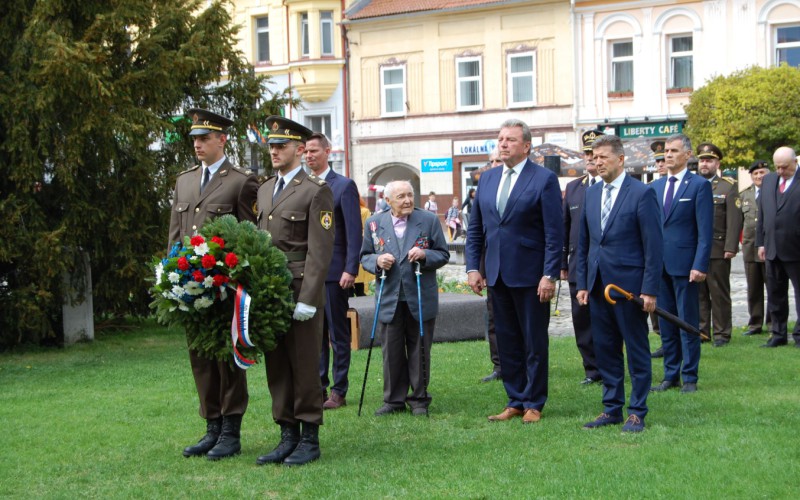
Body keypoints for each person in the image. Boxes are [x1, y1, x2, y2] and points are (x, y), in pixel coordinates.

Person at [169, 108, 259, 460]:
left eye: (205, 138)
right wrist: (172, 276)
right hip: (191, 286)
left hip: (224, 288)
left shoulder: (240, 181)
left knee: (226, 358)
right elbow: (176, 234)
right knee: (201, 358)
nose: (198, 144)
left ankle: (231, 431)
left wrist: (236, 279)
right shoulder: (185, 181)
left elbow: (249, 236)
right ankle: (212, 426)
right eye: (195, 138)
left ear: (222, 140)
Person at [466, 118, 563, 424]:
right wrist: (472, 268)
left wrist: (550, 274)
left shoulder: (543, 179)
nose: (503, 143)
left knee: (533, 340)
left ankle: (534, 401)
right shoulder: (488, 179)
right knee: (506, 340)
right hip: (496, 274)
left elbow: (554, 233)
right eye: (500, 138)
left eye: (510, 139)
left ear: (526, 146)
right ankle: (515, 399)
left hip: (531, 275)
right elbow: (476, 230)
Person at [255, 116, 334, 466]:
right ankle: (287, 432)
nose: (274, 151)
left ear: (300, 150)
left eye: (281, 145)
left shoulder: (316, 190)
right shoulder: (264, 188)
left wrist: (308, 298)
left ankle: (309, 436)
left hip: (299, 288)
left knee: (304, 365)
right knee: (278, 364)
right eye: (271, 145)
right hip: (271, 292)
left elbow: (321, 250)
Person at [576, 134, 663, 433]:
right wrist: (583, 283)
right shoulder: (591, 194)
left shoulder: (641, 193)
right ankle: (611, 407)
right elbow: (586, 242)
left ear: (621, 159)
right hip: (599, 286)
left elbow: (653, 245)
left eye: (603, 157)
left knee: (636, 349)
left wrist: (650, 289)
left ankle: (637, 411)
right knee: (606, 349)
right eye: (594, 157)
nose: (597, 162)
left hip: (629, 289)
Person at [360, 180, 450, 416]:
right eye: (401, 196)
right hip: (389, 297)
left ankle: (419, 399)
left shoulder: (428, 220)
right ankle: (393, 400)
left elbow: (443, 253)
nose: (408, 200)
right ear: (388, 201)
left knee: (420, 348)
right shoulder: (374, 223)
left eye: (410, 195)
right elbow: (365, 256)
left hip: (420, 295)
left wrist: (425, 254)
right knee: (391, 351)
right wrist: (377, 261)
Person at [649, 134, 713, 394]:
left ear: (687, 155)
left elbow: (705, 232)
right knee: (666, 323)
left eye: (674, 151)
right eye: (666, 151)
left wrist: (700, 264)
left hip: (686, 266)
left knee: (687, 321)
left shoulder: (698, 185)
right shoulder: (655, 187)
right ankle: (670, 374)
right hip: (659, 265)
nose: (668, 155)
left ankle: (690, 377)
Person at [304, 133, 362, 411]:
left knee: (338, 335)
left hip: (336, 273)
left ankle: (339, 390)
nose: (309, 155)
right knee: (314, 335)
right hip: (310, 274)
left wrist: (351, 268)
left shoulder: (344, 186)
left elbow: (354, 231)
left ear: (328, 151)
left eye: (314, 150)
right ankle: (318, 386)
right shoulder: (302, 185)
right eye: (306, 151)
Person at [561, 129, 603, 386]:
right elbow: (564, 227)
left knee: (608, 318)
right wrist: (561, 263)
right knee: (582, 319)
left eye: (595, 153)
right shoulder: (574, 187)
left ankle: (611, 365)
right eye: (586, 153)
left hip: (608, 264)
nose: (590, 158)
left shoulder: (617, 185)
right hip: (579, 264)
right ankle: (591, 369)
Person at [695, 143, 743, 347]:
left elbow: (734, 220)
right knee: (699, 295)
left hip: (717, 248)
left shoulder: (727, 186)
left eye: (709, 160)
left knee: (719, 293)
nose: (705, 164)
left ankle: (722, 333)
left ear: (717, 163)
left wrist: (731, 247)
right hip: (696, 250)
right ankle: (702, 331)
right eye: (702, 160)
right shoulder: (694, 184)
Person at [757, 146, 800, 348]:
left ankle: (799, 334)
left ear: (795, 162)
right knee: (775, 294)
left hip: (796, 249)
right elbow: (762, 215)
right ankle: (778, 333)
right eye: (778, 167)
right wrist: (760, 243)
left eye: (785, 167)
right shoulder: (769, 180)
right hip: (772, 247)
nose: (781, 171)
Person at [479, 148, 505, 383]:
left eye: (498, 160)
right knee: (494, 319)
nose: (495, 163)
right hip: (492, 265)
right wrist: (478, 269)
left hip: (520, 267)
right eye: (492, 161)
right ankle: (498, 365)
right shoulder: (486, 187)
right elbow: (480, 233)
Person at [740, 160, 770, 336]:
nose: (759, 176)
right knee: (753, 288)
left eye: (762, 173)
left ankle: (774, 323)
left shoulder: (775, 192)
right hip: (750, 248)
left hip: (770, 248)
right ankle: (755, 324)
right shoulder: (745, 195)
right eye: (755, 174)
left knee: (773, 287)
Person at [649, 140, 666, 357]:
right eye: (658, 161)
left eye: (663, 160)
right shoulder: (652, 187)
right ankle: (662, 337)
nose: (661, 164)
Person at [353, 197, 373, 297]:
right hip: (357, 243)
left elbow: (367, 230)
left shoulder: (363, 211)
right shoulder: (364, 211)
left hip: (357, 243)